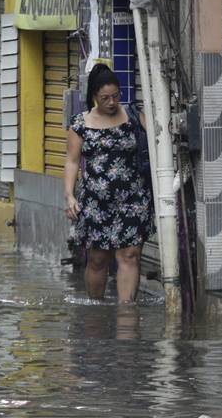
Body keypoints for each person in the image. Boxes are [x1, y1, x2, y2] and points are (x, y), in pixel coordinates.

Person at [63, 63, 156, 303]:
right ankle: (96, 310)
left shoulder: (133, 116)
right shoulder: (79, 124)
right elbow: (72, 162)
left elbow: (159, 139)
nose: (112, 102)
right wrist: (70, 195)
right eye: (105, 98)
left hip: (133, 199)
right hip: (96, 202)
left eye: (116, 96)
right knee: (98, 259)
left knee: (130, 255)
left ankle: (127, 313)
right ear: (94, 96)